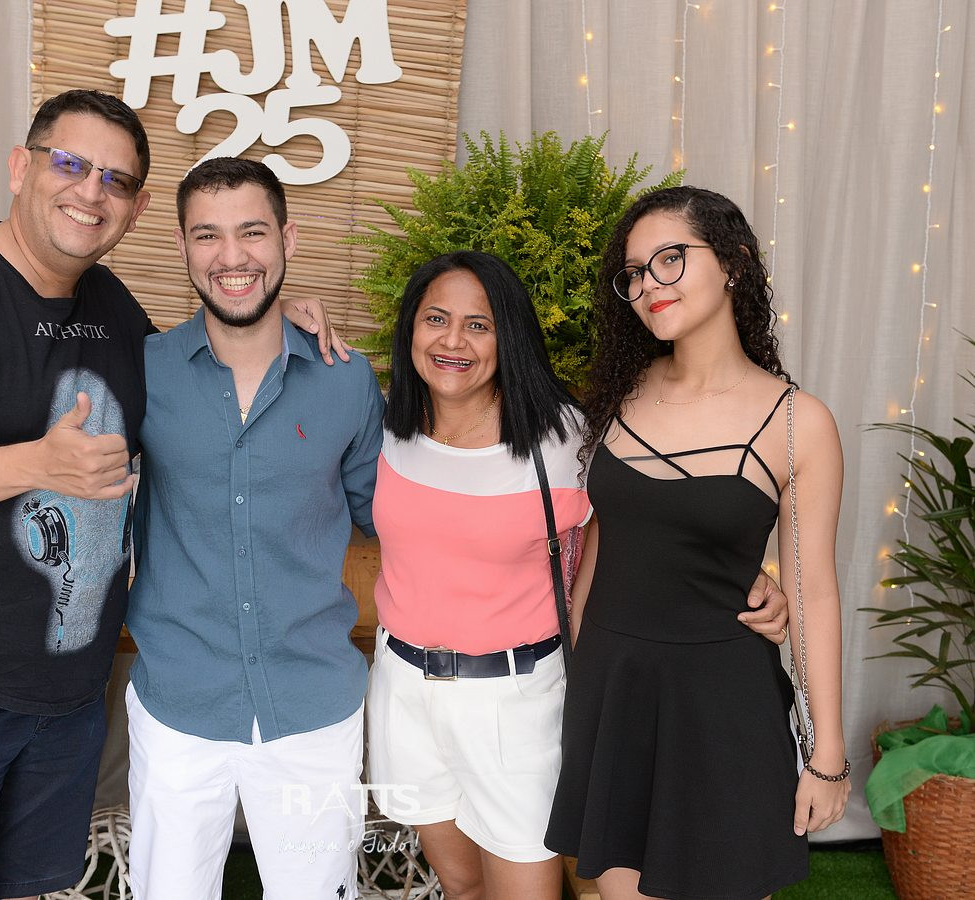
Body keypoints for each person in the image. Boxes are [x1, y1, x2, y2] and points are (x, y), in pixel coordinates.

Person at [0, 91, 340, 900]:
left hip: (64, 690)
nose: (90, 191)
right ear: (20, 168)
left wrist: (275, 318)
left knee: (26, 889)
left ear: (136, 209)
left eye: (116, 180)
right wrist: (34, 464)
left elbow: (198, 372)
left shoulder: (109, 306)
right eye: (70, 164)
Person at [365, 250, 792, 900]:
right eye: (436, 319)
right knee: (460, 885)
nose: (452, 341)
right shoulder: (386, 425)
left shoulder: (563, 439)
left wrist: (745, 574)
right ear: (410, 329)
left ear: (509, 337)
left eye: (478, 325)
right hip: (402, 689)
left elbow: (652, 515)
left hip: (511, 701)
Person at [545, 186, 850, 899]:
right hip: (613, 694)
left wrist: (827, 754)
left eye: (670, 259)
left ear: (734, 263)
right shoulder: (615, 394)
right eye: (634, 272)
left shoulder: (797, 423)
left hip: (724, 704)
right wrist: (578, 682)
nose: (649, 284)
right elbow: (604, 539)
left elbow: (813, 593)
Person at [123, 157, 384, 899]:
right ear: (181, 246)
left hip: (312, 704)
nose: (231, 256)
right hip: (178, 699)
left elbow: (387, 517)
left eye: (252, 233)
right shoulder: (141, 369)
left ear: (287, 240)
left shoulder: (345, 377)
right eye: (208, 235)